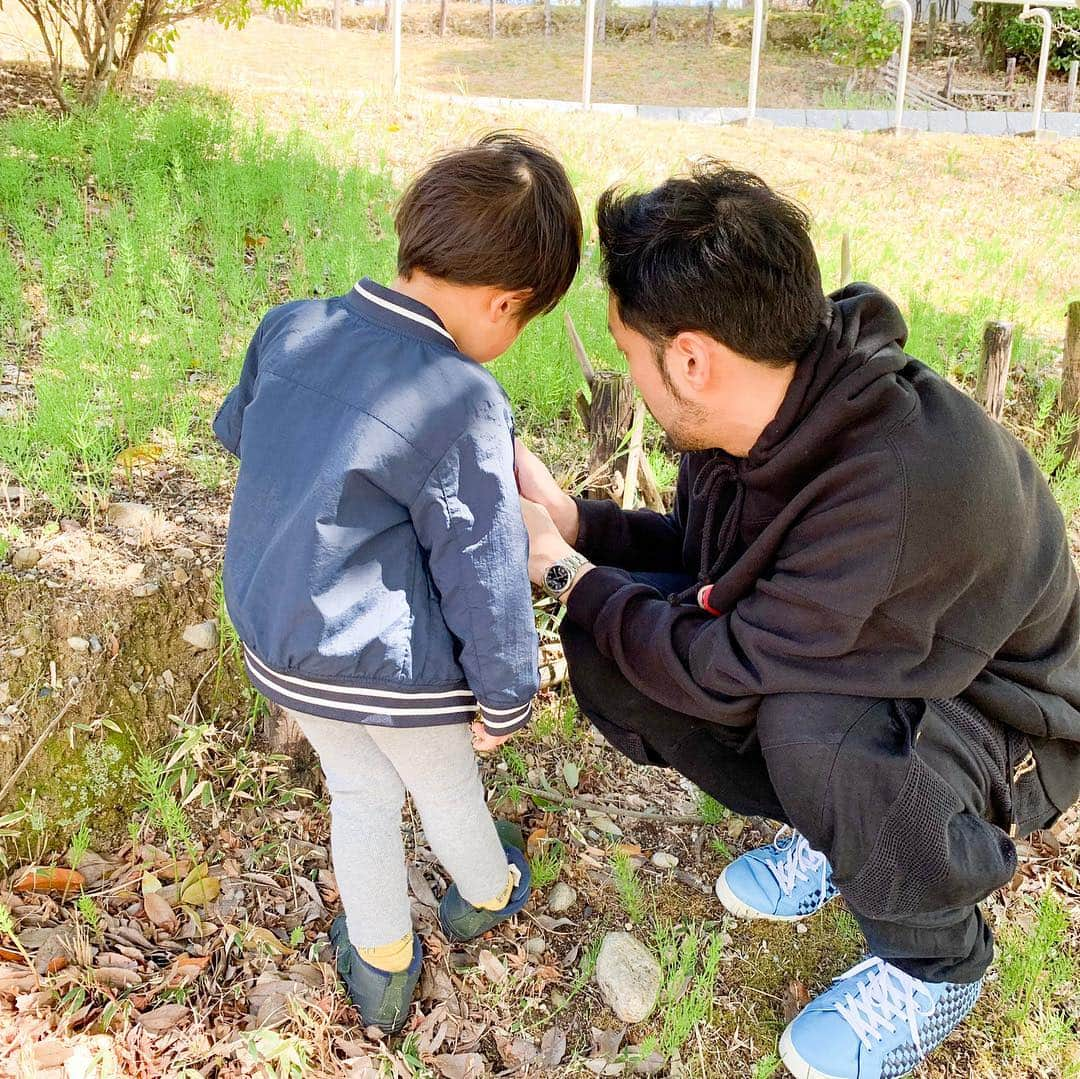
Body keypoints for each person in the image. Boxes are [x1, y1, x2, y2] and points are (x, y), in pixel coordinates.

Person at [517, 163, 1080, 1079]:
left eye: (629, 352)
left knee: (812, 730)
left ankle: (938, 960)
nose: (629, 371)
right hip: (908, 648)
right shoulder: (767, 403)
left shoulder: (889, 484)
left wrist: (562, 574)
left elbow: (724, 663)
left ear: (692, 357)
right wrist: (581, 528)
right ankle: (843, 837)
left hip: (1010, 713)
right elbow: (711, 564)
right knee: (633, 641)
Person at [213, 133, 582, 1033]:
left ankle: (380, 962)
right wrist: (504, 698)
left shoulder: (291, 326)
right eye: (523, 325)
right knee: (447, 786)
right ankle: (486, 891)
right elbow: (485, 574)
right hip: (394, 667)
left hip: (284, 639)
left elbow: (246, 438)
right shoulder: (459, 396)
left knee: (359, 791)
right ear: (506, 301)